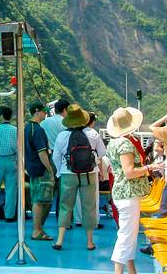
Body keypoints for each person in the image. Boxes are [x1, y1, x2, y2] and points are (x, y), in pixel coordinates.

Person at [106, 107, 160, 274]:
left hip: (123, 194)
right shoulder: (125, 144)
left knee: (129, 233)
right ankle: (118, 271)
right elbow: (129, 172)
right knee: (126, 235)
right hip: (128, 194)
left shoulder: (114, 142)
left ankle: (131, 270)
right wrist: (149, 167)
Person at [51, 104, 106, 251]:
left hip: (68, 173)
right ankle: (89, 242)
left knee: (65, 206)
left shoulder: (62, 135)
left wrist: (59, 172)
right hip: (89, 174)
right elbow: (102, 153)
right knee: (89, 207)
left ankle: (59, 240)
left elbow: (56, 156)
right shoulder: (93, 134)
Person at [25, 102, 56, 241]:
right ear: (37, 112)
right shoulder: (38, 130)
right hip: (40, 169)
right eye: (44, 112)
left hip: (31, 168)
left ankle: (38, 228)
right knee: (40, 201)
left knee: (38, 199)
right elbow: (42, 152)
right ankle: (37, 230)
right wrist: (50, 169)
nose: (45, 114)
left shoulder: (27, 128)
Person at [73, 112, 105, 229]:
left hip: (74, 167)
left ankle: (78, 219)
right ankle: (94, 220)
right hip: (91, 168)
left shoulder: (73, 132)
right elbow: (101, 153)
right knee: (93, 195)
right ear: (91, 122)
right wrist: (101, 171)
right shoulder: (93, 133)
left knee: (77, 194)